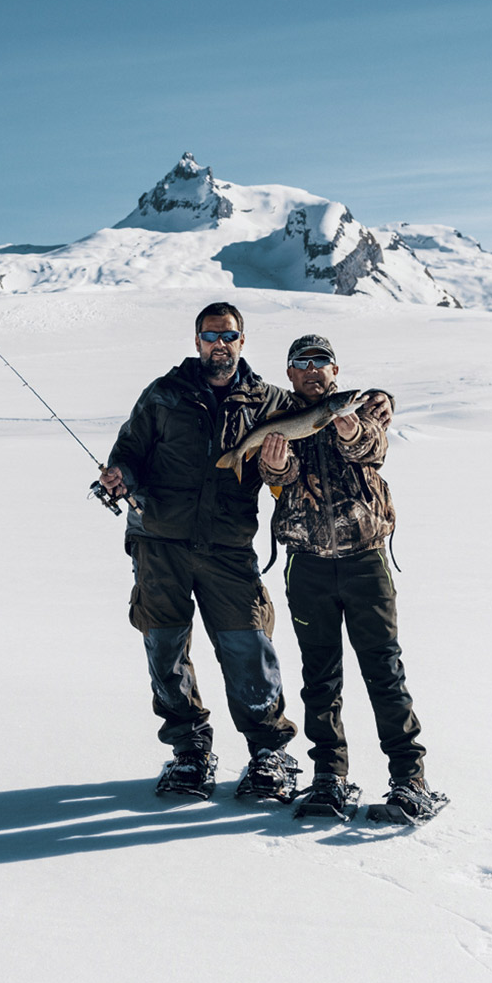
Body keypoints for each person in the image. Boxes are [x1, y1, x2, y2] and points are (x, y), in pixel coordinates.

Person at [96, 302, 301, 801]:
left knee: (248, 646)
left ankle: (269, 751)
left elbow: (292, 466)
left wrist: (278, 468)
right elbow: (130, 451)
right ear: (196, 342)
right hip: (159, 541)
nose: (220, 344)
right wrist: (120, 475)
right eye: (211, 336)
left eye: (228, 335)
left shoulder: (268, 401)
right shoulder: (164, 394)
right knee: (165, 647)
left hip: (228, 547)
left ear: (242, 341)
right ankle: (189, 750)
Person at [256, 333, 446, 823]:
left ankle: (409, 778)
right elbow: (279, 475)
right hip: (306, 566)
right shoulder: (277, 420)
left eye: (323, 362)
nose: (313, 370)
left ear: (336, 373)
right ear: (291, 374)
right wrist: (274, 466)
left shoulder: (362, 414)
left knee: (384, 670)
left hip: (366, 561)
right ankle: (329, 776)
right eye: (303, 363)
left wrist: (347, 429)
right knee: (320, 677)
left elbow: (372, 450)